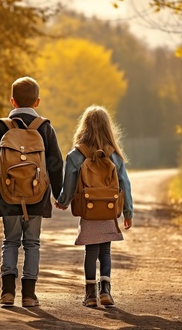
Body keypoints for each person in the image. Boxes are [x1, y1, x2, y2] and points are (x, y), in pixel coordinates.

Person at [0, 76, 63, 307]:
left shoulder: (1, 128)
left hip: (7, 195)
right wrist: (60, 194)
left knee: (10, 241)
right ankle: (29, 295)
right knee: (32, 242)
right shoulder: (45, 128)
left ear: (13, 101)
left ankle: (7, 293)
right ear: (37, 102)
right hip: (37, 195)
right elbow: (55, 164)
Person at [55, 105, 133, 308]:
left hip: (89, 210)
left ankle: (90, 295)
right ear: (108, 128)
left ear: (84, 127)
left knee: (91, 251)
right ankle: (105, 291)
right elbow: (125, 183)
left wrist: (63, 201)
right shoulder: (114, 155)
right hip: (108, 209)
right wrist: (128, 211)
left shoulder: (76, 154)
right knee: (105, 251)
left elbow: (70, 183)